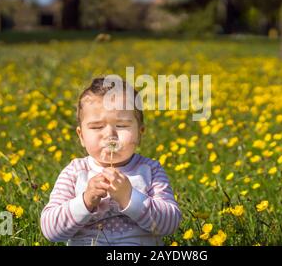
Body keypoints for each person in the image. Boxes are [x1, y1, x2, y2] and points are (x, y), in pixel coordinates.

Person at [40, 77, 181, 245]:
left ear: (140, 133)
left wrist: (129, 198)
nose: (110, 135)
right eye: (96, 127)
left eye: (121, 126)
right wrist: (85, 201)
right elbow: (50, 230)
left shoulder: (150, 170)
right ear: (81, 136)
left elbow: (170, 224)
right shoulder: (75, 172)